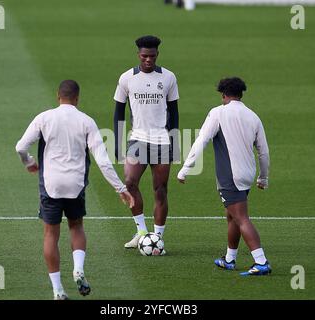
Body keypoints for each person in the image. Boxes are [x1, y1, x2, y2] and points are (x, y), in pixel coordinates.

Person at [16, 80, 134, 300]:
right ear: (77, 98)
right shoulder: (87, 122)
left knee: (51, 233)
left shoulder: (44, 118)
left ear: (57, 95)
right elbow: (103, 161)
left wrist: (29, 162)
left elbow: (20, 146)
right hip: (76, 185)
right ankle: (78, 269)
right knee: (76, 226)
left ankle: (58, 290)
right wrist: (121, 188)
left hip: (51, 185)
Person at [177, 77, 272, 276]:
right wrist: (263, 178)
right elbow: (263, 152)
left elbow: (201, 141)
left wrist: (185, 168)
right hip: (247, 174)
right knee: (232, 217)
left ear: (223, 95)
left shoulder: (218, 113)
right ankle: (229, 258)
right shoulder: (253, 116)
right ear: (241, 94)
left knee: (241, 218)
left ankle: (261, 262)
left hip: (230, 176)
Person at [114, 35, 179, 252]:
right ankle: (141, 232)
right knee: (129, 183)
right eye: (144, 56)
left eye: (152, 56)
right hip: (138, 138)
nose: (148, 60)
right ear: (138, 55)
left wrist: (175, 142)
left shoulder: (169, 77)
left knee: (160, 189)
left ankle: (158, 238)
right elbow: (118, 112)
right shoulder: (126, 78)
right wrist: (117, 142)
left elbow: (175, 112)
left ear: (157, 54)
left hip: (162, 139)